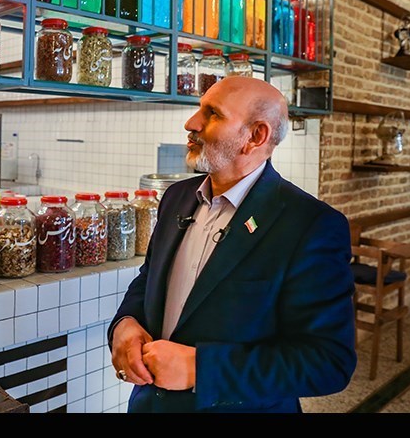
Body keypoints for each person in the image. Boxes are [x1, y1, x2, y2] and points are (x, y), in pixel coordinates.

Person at [108, 76, 357, 413]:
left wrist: (201, 370)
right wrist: (125, 323)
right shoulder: (176, 197)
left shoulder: (311, 225)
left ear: (255, 136)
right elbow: (148, 278)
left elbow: (328, 362)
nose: (191, 123)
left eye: (212, 114)